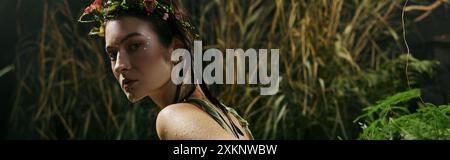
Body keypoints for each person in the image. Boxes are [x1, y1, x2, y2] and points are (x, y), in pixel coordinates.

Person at [79, 0, 254, 140]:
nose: (119, 65)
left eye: (134, 46)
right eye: (112, 54)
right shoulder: (229, 117)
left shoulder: (173, 117)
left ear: (177, 51)